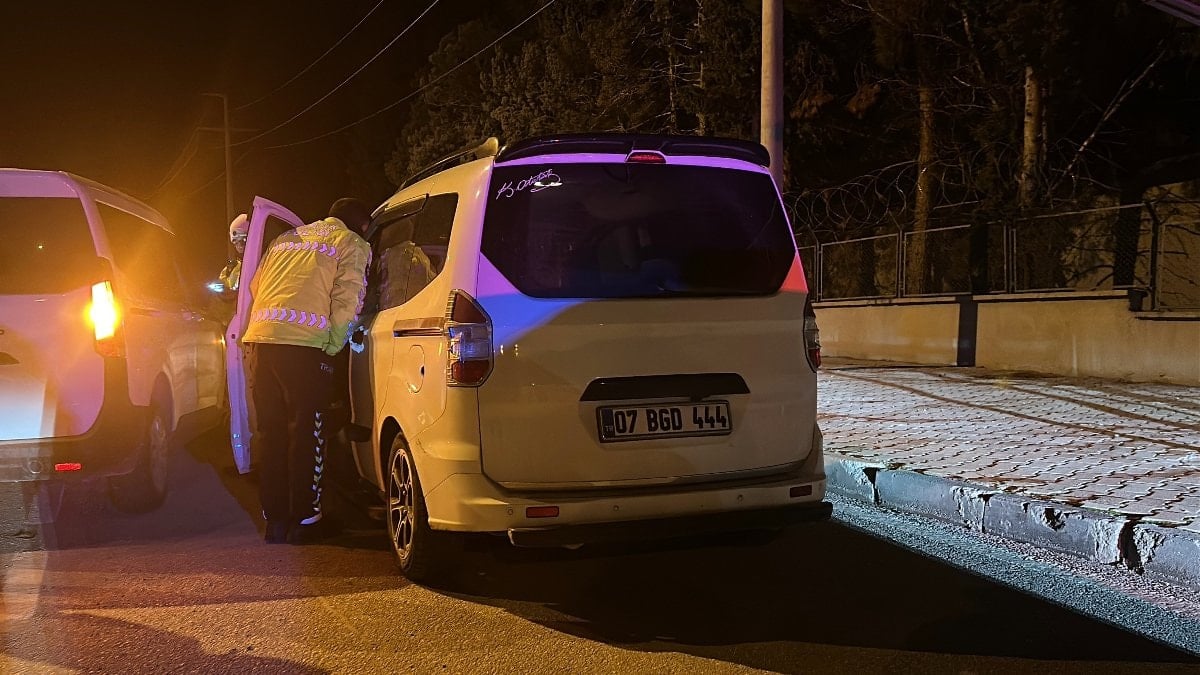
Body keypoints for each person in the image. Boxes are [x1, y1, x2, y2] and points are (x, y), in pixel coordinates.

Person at [242, 198, 372, 544]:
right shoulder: (351, 243)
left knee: (271, 433)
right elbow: (350, 298)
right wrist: (333, 345)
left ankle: (275, 522)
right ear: (360, 225)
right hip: (304, 347)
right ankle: (306, 520)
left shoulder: (285, 240)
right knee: (306, 433)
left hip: (261, 342)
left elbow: (256, 287)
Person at [219, 213, 249, 292]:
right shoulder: (240, 265)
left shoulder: (263, 258)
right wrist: (227, 275)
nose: (239, 247)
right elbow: (232, 285)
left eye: (242, 241)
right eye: (235, 243)